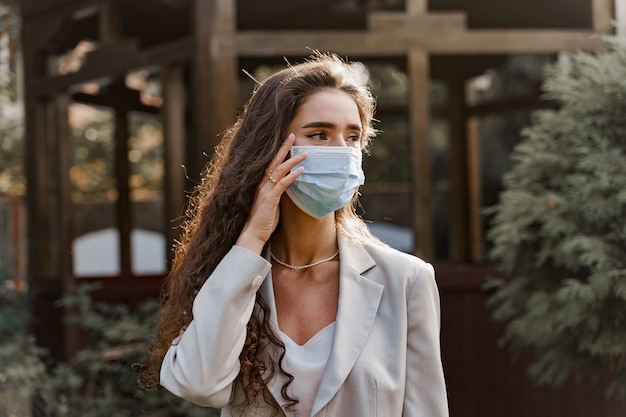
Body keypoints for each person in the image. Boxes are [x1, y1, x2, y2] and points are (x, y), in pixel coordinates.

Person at [138, 52, 448, 417]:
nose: (342, 152)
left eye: (353, 137)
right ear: (271, 149)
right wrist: (252, 238)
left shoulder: (406, 280)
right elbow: (198, 383)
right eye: (319, 134)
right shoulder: (234, 273)